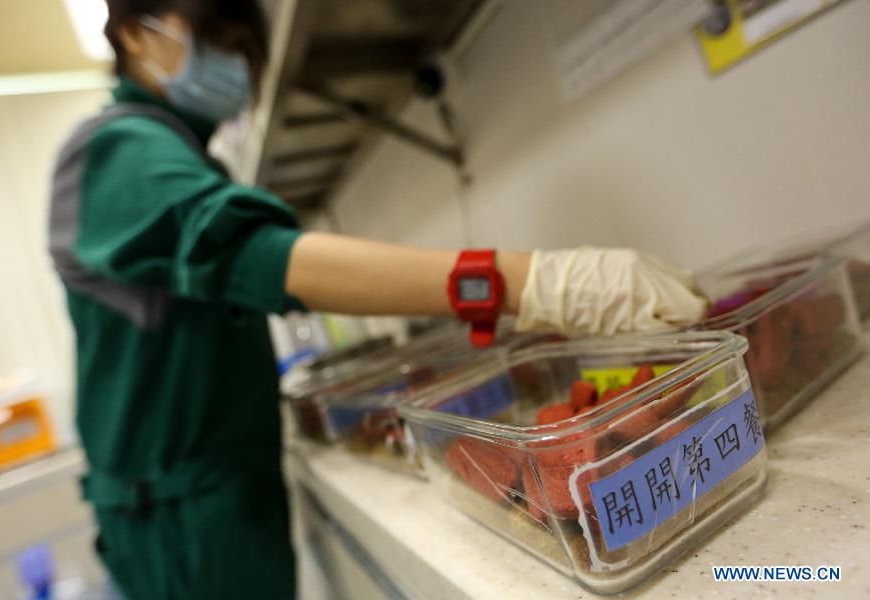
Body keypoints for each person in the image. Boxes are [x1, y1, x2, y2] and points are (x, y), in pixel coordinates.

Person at [47, 1, 706, 598]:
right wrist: (527, 283)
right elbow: (266, 258)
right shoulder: (114, 151)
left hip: (223, 493)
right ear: (134, 31)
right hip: (180, 518)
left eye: (246, 48)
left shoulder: (183, 158)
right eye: (215, 35)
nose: (235, 64)